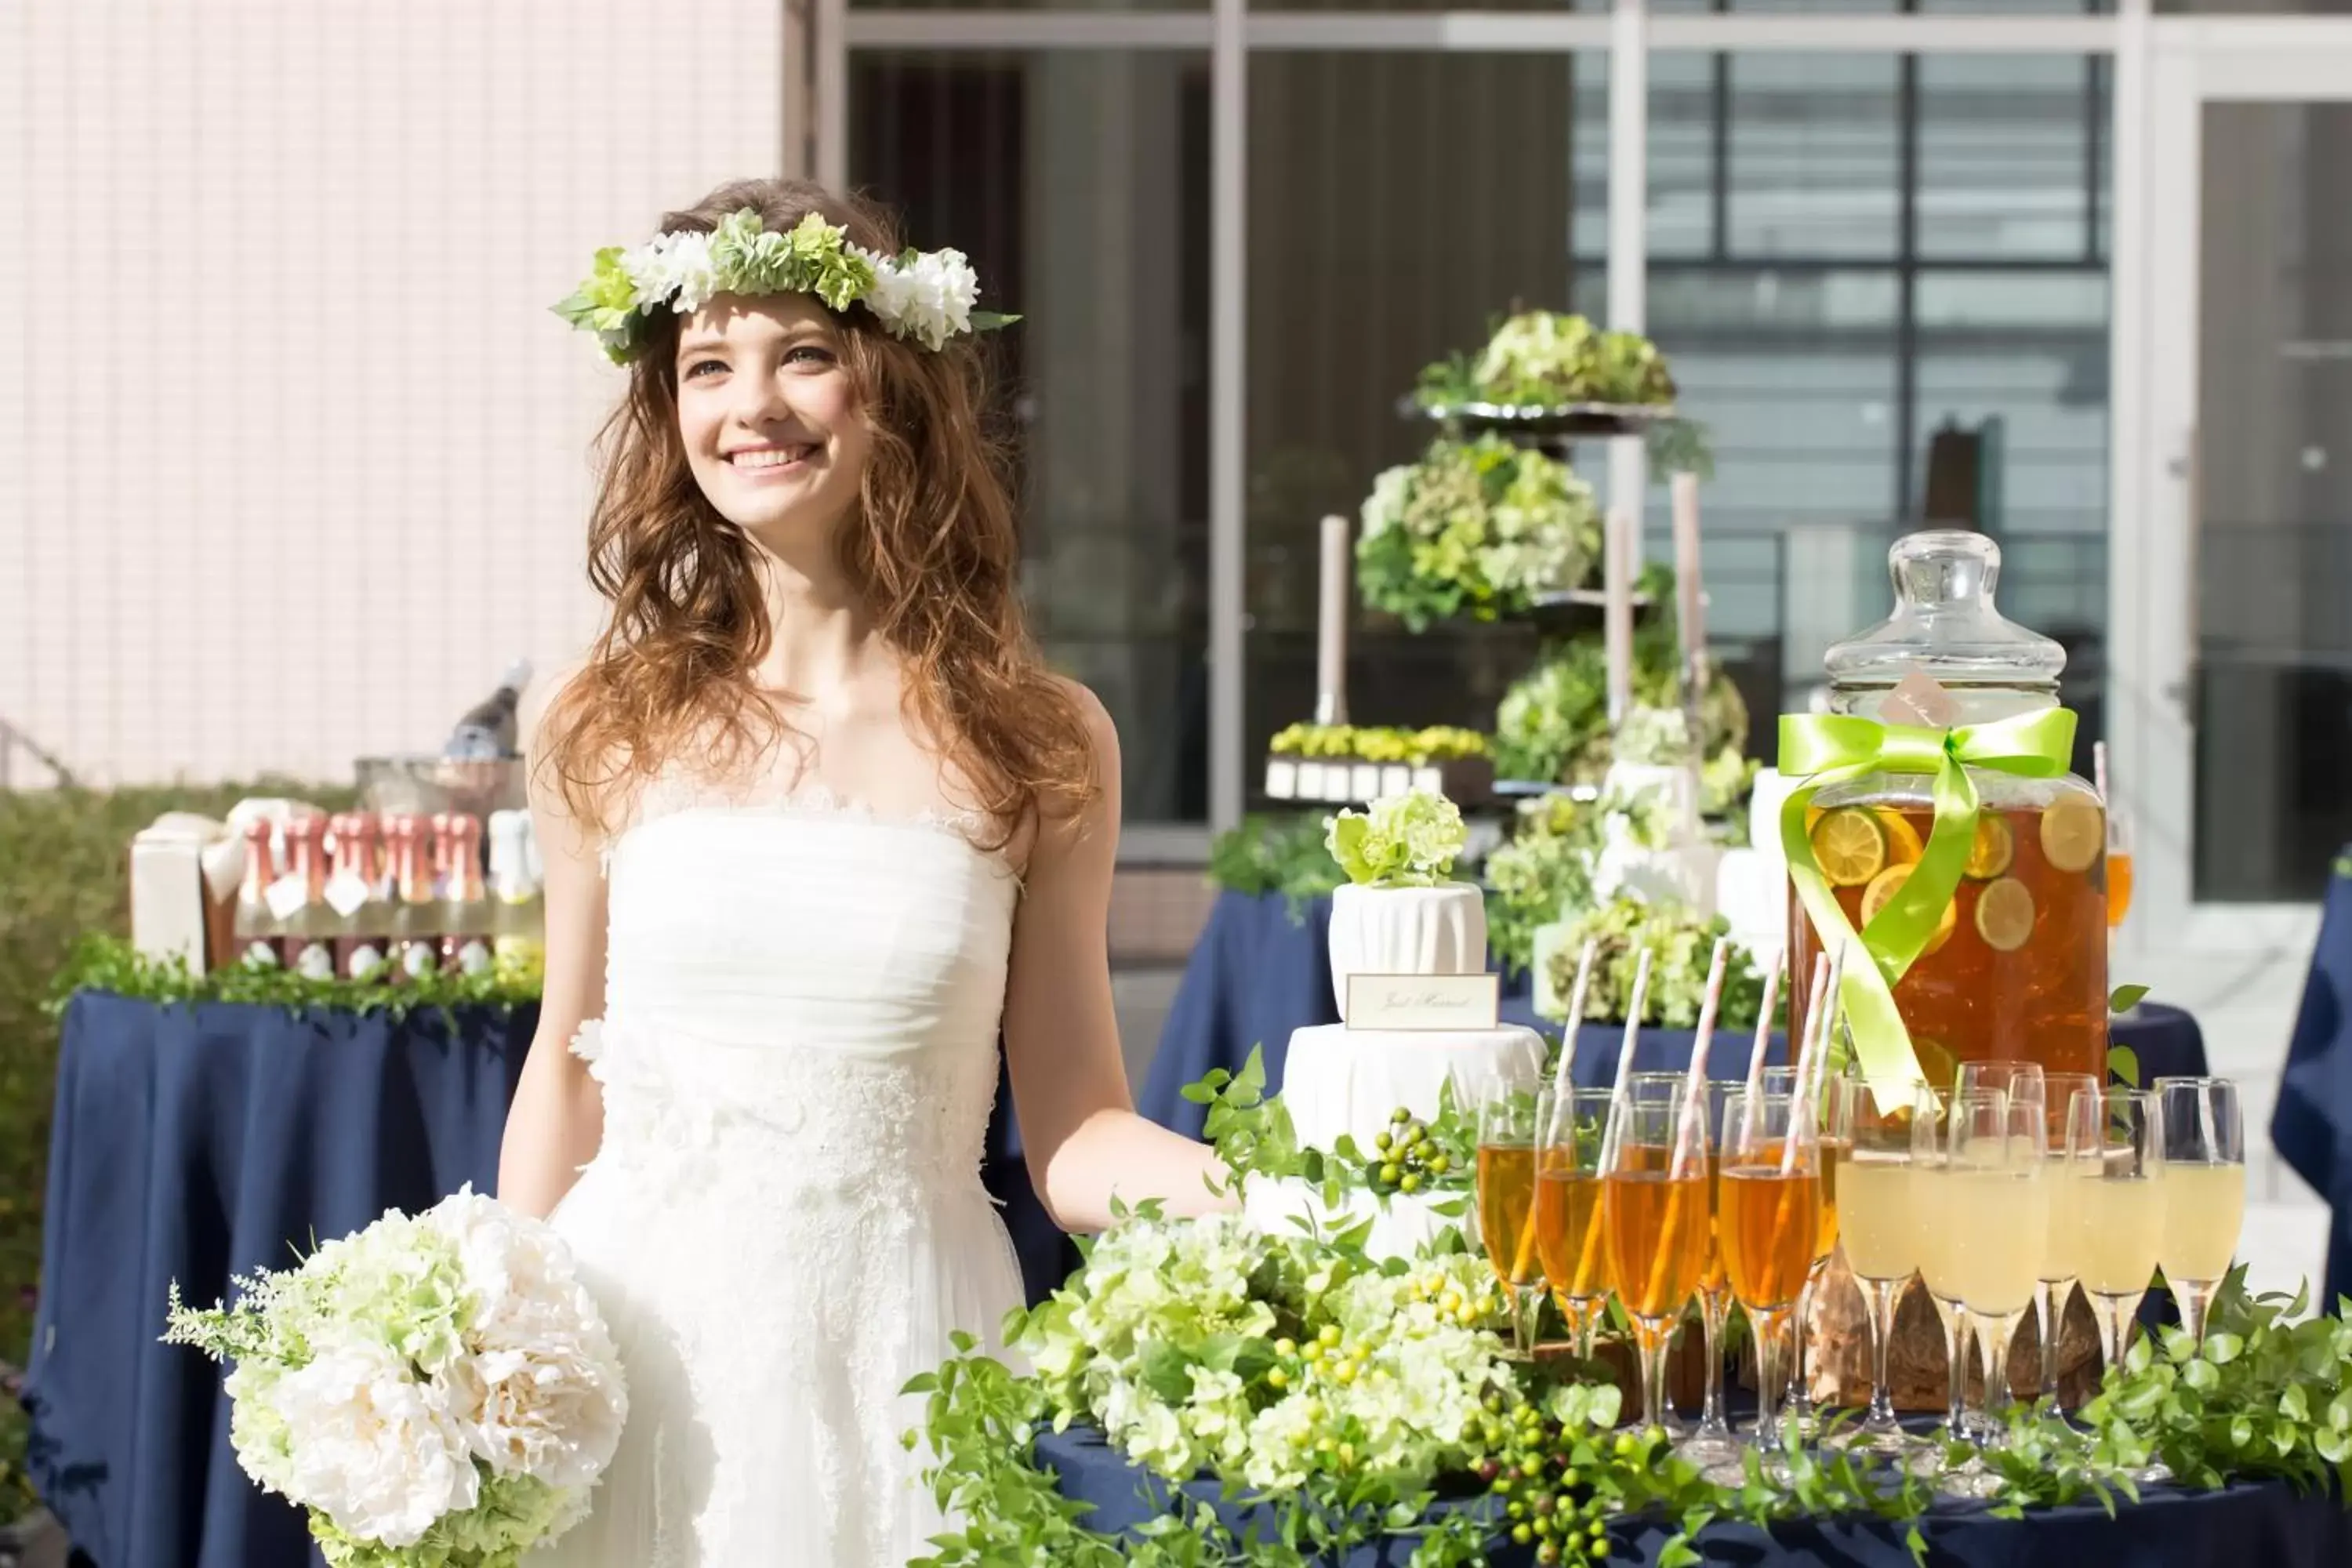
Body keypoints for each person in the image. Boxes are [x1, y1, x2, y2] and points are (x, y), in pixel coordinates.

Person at [499, 177, 1234, 1566]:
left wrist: (1287, 1206)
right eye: (708, 366)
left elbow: (1075, 1132)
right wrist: (490, 1351)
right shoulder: (594, 716)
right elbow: (568, 1070)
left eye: (804, 357)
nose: (751, 404)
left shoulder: (1043, 741)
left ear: (889, 386)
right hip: (634, 1348)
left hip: (910, 1356)